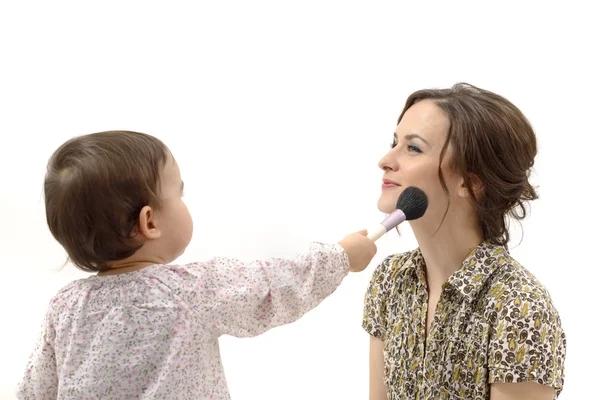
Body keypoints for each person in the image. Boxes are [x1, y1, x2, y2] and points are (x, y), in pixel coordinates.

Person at [16, 130, 377, 399]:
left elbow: (35, 391)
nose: (185, 202)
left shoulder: (66, 307)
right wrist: (342, 256)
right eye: (179, 193)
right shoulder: (190, 290)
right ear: (150, 222)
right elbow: (273, 285)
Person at [363, 83, 566, 400]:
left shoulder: (518, 303)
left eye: (413, 148)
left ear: (470, 183)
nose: (385, 160)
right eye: (394, 143)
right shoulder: (390, 280)